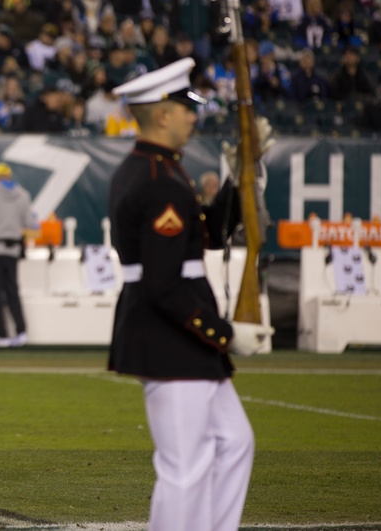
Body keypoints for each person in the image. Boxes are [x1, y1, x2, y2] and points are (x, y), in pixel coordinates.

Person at [108, 58, 274, 531]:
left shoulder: (158, 170)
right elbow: (163, 284)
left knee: (234, 441)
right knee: (186, 466)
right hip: (170, 336)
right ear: (162, 113)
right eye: (186, 108)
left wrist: (243, 174)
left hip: (178, 335)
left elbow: (206, 231)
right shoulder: (159, 180)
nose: (192, 116)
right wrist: (224, 333)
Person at [0, 162, 35, 347]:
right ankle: (21, 332)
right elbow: (30, 223)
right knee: (12, 291)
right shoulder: (24, 195)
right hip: (14, 249)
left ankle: (2, 334)